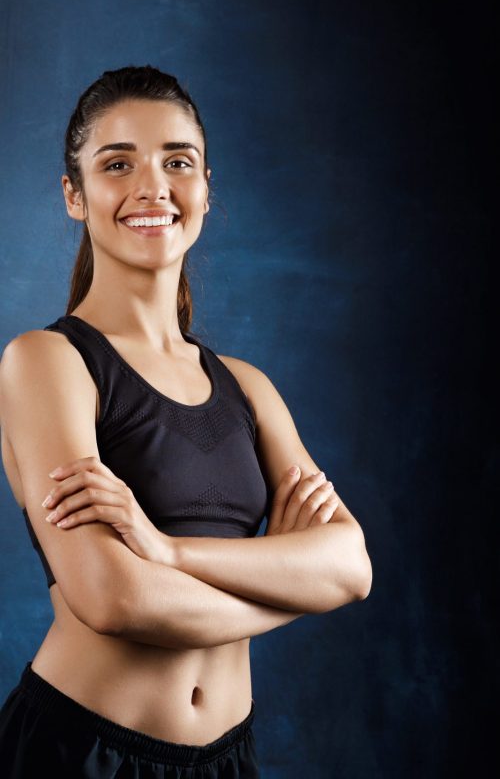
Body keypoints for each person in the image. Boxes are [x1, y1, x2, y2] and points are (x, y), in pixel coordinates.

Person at [0, 65, 372, 777]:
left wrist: (165, 551)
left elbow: (350, 565)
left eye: (178, 161)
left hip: (228, 759)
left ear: (206, 186)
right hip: (80, 753)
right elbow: (113, 597)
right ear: (74, 196)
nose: (153, 187)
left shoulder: (248, 387)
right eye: (118, 164)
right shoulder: (45, 362)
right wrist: (289, 593)